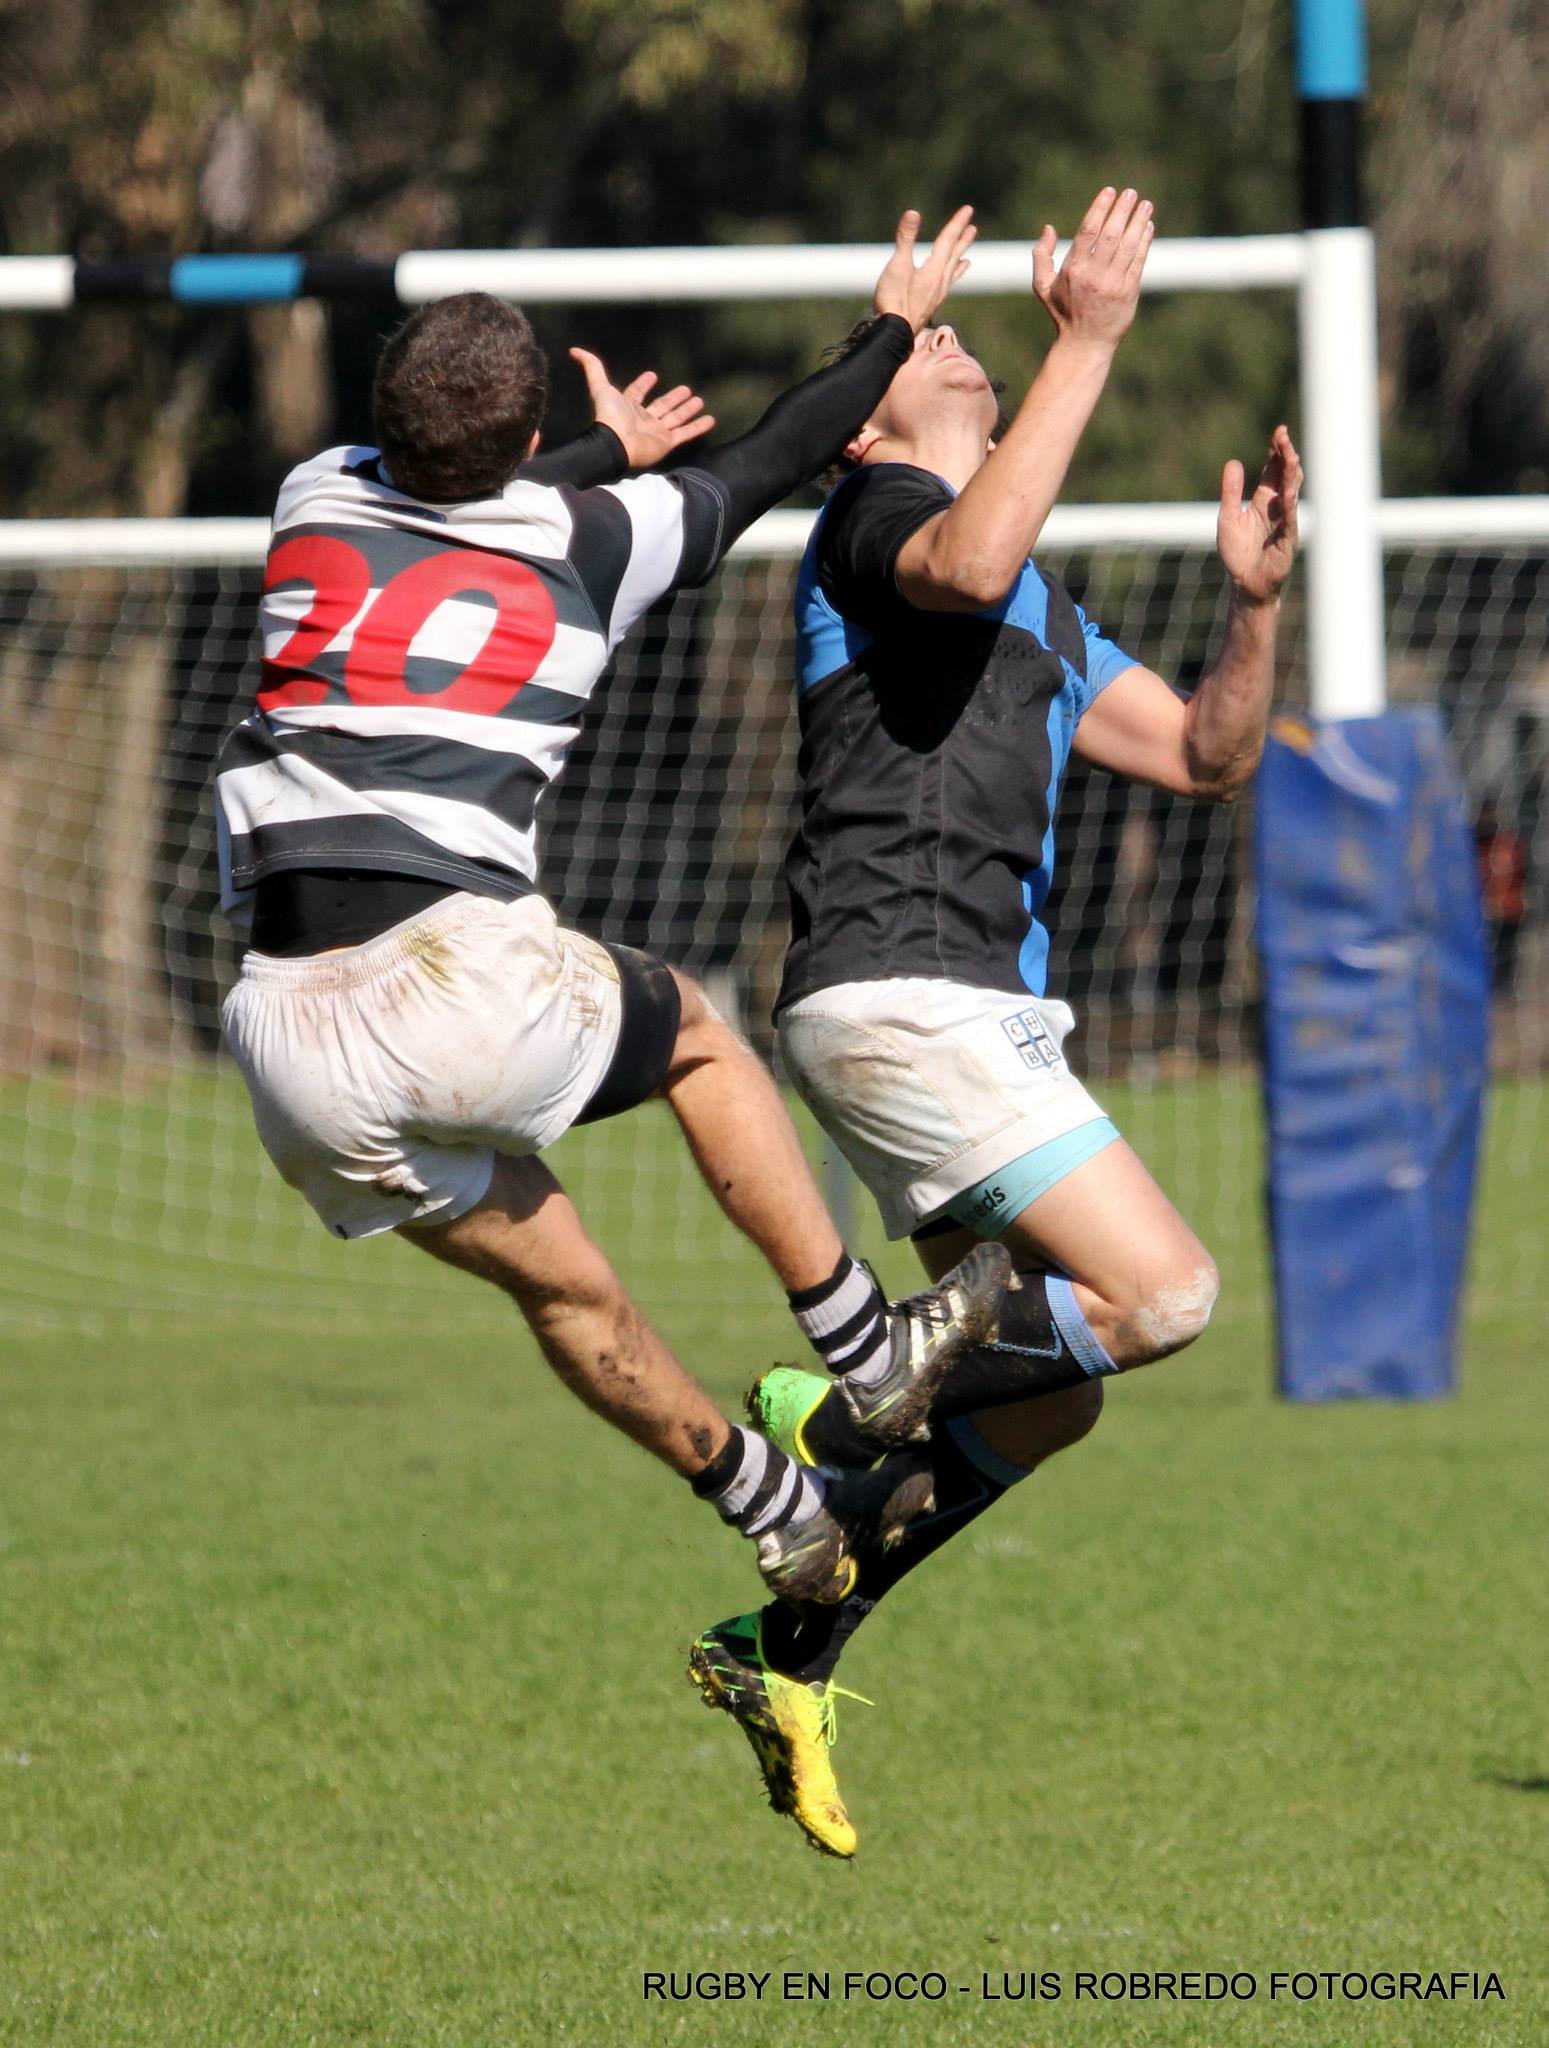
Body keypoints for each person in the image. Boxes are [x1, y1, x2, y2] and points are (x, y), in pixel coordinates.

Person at [214, 206, 1013, 1618]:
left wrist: (601, 449)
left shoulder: (307, 497)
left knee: (567, 1290)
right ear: (525, 452)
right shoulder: (594, 541)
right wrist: (888, 321)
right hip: (454, 972)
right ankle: (863, 1350)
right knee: (699, 1038)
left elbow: (453, 484)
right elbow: (777, 452)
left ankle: (774, 1514)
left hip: (284, 1040)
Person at [688, 186, 1302, 1856]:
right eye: (913, 347)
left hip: (964, 1015)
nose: (942, 338)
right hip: (901, 997)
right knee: (1162, 1291)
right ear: (862, 429)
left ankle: (790, 1634)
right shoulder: (876, 520)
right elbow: (964, 553)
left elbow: (1203, 759)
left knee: (1048, 1393)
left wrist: (1249, 604)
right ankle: (849, 1396)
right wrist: (1088, 339)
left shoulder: (1034, 596)